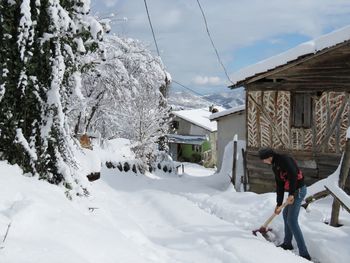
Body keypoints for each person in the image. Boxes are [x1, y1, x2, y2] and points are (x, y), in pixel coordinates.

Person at [258, 147, 311, 261]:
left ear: (269, 157)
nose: (263, 162)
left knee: (292, 220)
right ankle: (287, 243)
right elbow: (280, 185)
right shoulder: (275, 166)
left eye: (263, 159)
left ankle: (304, 253)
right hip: (293, 192)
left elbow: (293, 175)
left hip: (299, 190)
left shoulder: (284, 160)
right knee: (286, 215)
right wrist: (279, 203)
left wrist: (291, 194)